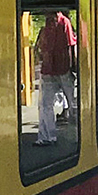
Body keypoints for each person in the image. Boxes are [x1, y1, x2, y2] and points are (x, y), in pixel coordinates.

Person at [35, 9, 78, 145]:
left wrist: (72, 67)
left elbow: (70, 46)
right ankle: (47, 136)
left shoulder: (62, 22)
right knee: (47, 104)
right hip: (52, 69)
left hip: (59, 68)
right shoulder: (59, 23)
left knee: (52, 104)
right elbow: (71, 46)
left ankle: (49, 136)